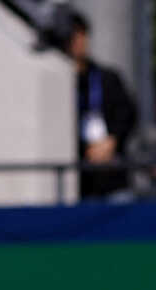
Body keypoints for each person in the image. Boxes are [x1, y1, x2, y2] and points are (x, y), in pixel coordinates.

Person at [60, 8, 138, 201]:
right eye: (73, 35)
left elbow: (128, 113)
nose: (79, 41)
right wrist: (84, 149)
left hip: (113, 175)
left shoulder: (107, 78)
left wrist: (112, 141)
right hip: (81, 181)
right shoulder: (60, 83)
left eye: (82, 34)